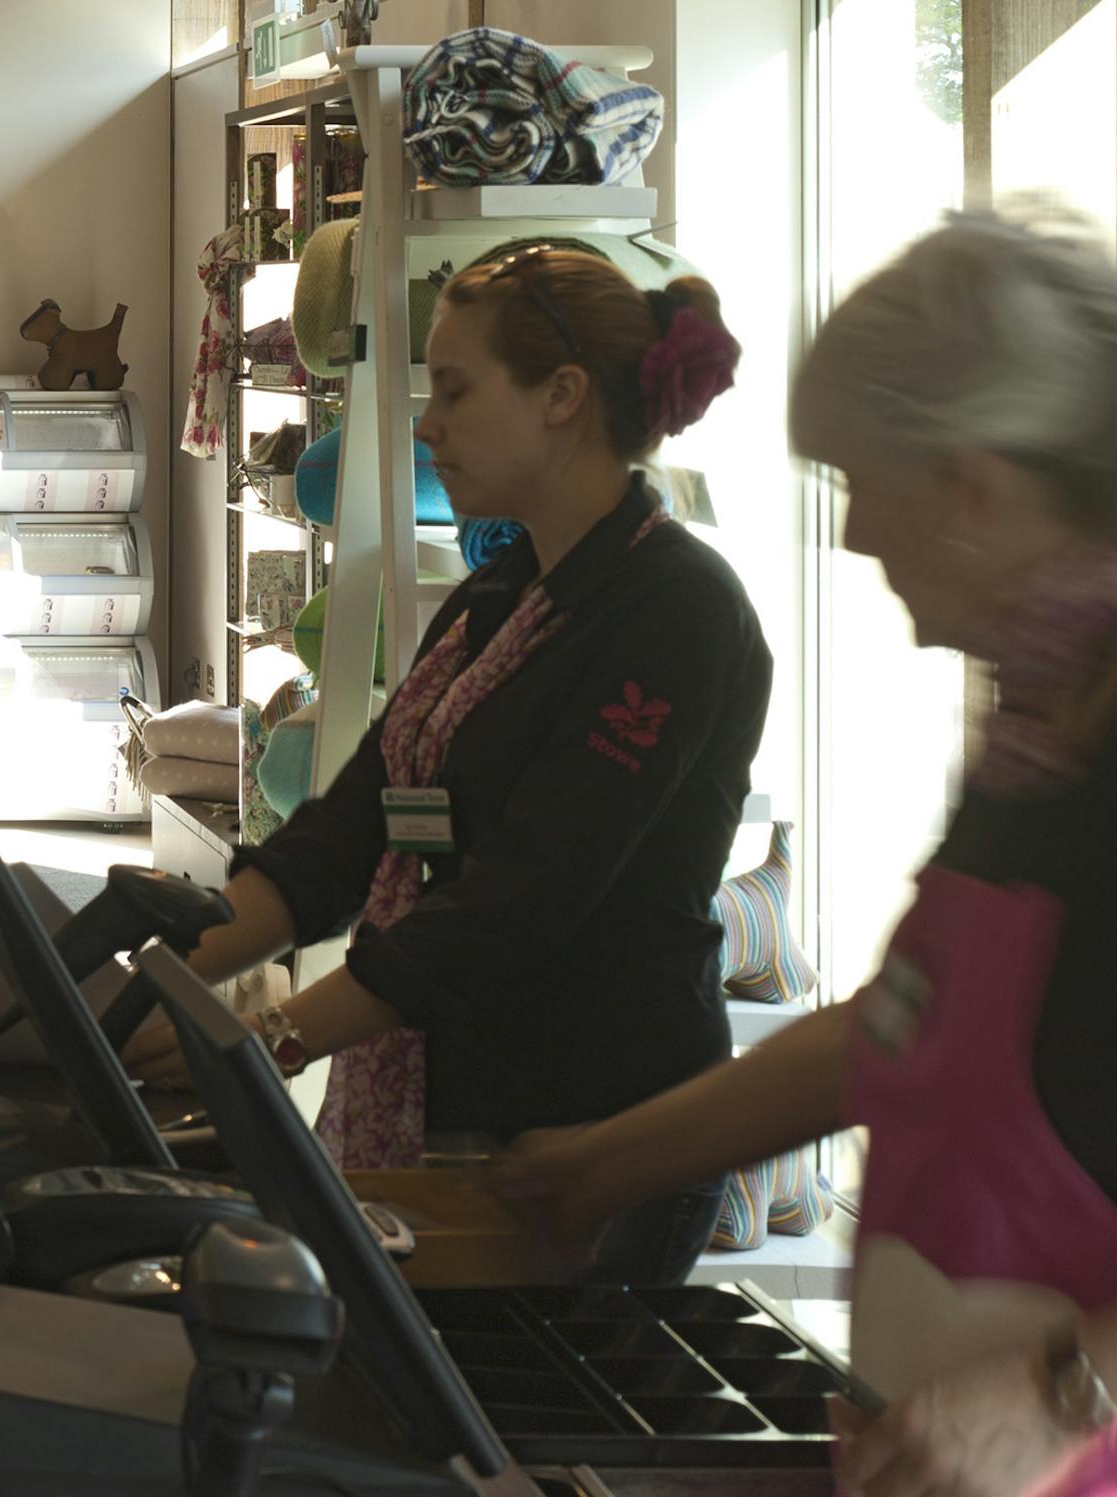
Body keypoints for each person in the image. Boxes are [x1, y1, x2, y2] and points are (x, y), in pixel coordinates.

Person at [501, 215, 1117, 1497]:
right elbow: (895, 1038)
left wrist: (1065, 1397)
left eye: (855, 480)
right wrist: (600, 1163)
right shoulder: (1042, 720)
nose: (847, 536)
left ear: (970, 484)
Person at [165, 235, 766, 1273]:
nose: (429, 425)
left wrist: (280, 1038)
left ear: (562, 393)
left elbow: (524, 894)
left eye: (453, 389)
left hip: (594, 1133)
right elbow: (355, 822)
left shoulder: (680, 612)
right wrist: (168, 968)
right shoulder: (505, 589)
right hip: (461, 1106)